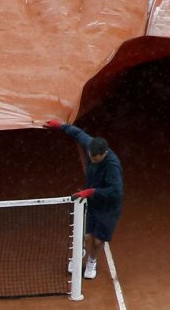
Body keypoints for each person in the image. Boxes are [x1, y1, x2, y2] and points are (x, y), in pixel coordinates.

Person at [45, 119, 123, 280]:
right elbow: (78, 133)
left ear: (105, 153)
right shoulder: (91, 145)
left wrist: (90, 192)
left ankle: (91, 262)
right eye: (91, 157)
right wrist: (60, 125)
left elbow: (115, 191)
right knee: (84, 235)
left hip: (108, 207)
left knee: (97, 241)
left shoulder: (112, 166)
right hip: (92, 201)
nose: (92, 160)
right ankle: (76, 257)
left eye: (96, 159)